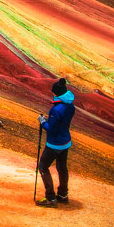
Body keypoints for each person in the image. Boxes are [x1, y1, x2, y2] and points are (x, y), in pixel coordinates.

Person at [36, 77, 76, 207]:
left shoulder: (56, 109)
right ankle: (63, 195)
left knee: (43, 166)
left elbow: (51, 129)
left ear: (55, 93)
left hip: (54, 144)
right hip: (65, 142)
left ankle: (51, 198)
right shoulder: (70, 106)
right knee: (62, 167)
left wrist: (42, 122)